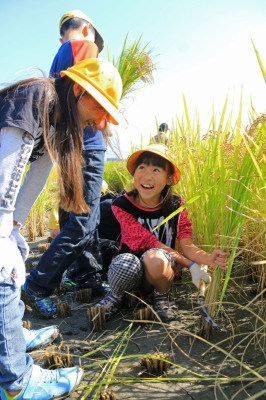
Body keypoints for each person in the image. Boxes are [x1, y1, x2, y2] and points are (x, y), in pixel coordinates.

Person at [0, 58, 122, 398]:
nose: (100, 123)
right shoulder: (36, 98)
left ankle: (8, 332)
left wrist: (14, 227)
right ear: (80, 90)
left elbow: (36, 173)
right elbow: (8, 163)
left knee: (10, 266)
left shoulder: (59, 122)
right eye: (100, 109)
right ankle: (15, 383)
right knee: (1, 273)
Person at [19, 10, 112, 318]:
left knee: (79, 216)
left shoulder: (59, 58)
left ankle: (86, 276)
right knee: (84, 222)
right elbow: (89, 95)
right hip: (87, 143)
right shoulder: (83, 47)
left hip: (67, 145)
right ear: (86, 29)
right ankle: (37, 284)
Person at [94, 144, 228, 321]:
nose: (147, 176)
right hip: (129, 273)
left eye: (156, 169)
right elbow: (149, 241)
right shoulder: (121, 205)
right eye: (141, 167)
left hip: (161, 273)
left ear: (169, 179)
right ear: (134, 173)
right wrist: (192, 265)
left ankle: (162, 296)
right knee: (125, 262)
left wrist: (208, 258)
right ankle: (117, 295)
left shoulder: (176, 206)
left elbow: (187, 245)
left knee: (156, 258)